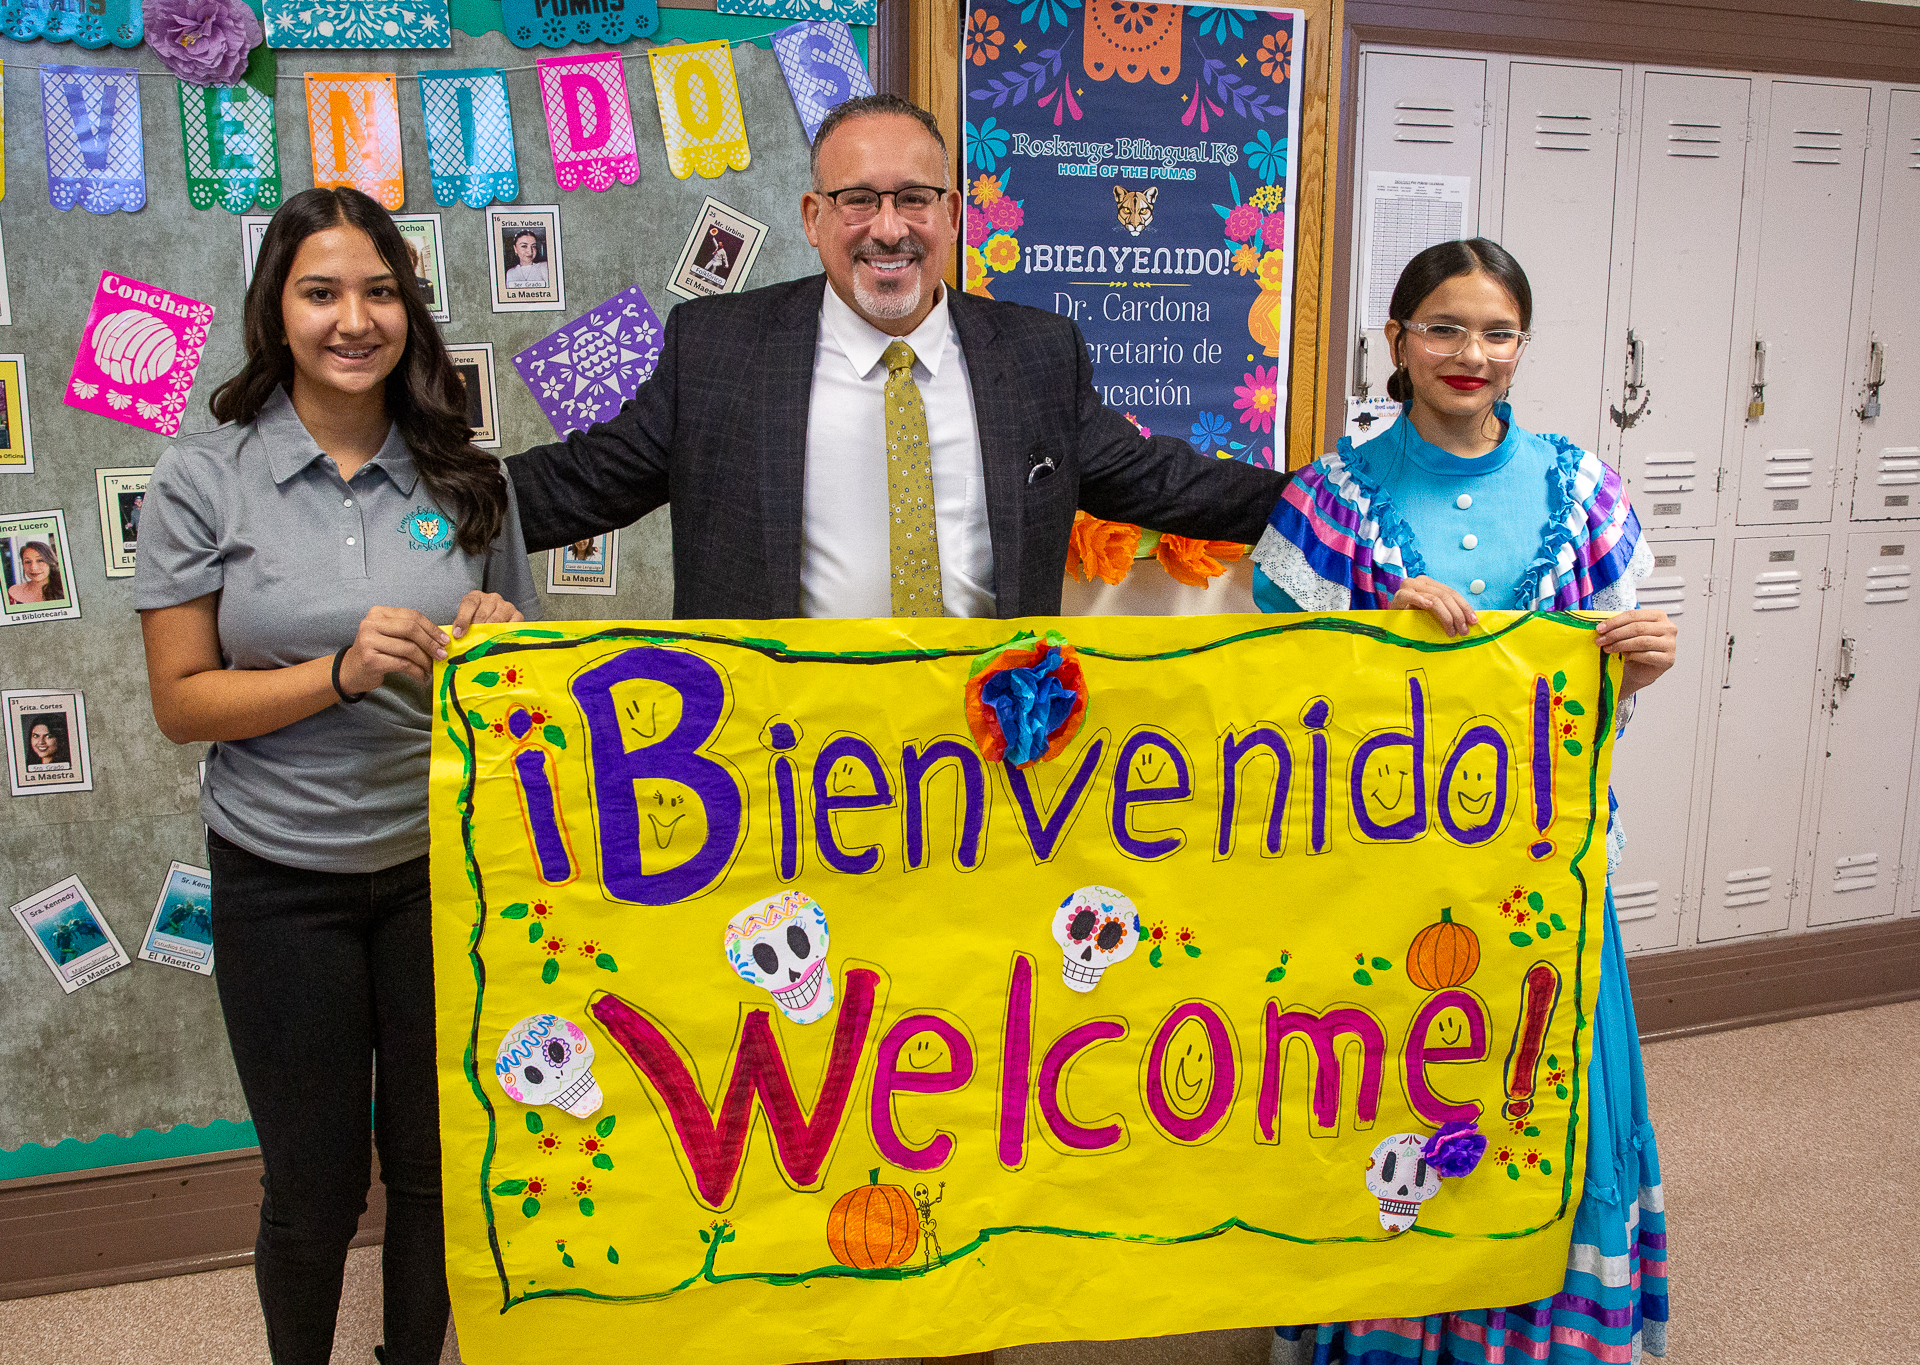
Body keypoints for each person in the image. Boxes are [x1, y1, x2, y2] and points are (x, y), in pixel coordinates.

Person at [134, 186, 540, 1365]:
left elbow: (519, 687)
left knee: (432, 1169)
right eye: (320, 292)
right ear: (276, 312)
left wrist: (496, 645)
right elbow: (180, 703)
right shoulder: (204, 476)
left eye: (377, 290)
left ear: (408, 309)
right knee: (312, 1187)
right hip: (280, 878)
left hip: (443, 874)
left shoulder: (469, 476)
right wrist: (341, 672)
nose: (352, 318)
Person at [1251, 239, 1673, 1365]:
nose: (1468, 354)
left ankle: (1537, 1329)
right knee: (1389, 1090)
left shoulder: (1581, 490)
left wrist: (1640, 654)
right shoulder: (1330, 506)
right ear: (1395, 343)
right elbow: (1270, 698)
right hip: (1387, 882)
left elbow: (1599, 682)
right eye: (1441, 328)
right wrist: (1367, 630)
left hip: (1541, 875)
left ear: (1519, 348)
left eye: (1494, 332)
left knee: (1542, 1094)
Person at [503, 94, 1288, 617]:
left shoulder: (1038, 352)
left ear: (950, 214)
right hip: (782, 753)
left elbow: (1165, 482)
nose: (888, 228)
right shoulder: (719, 349)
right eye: (858, 201)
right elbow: (579, 484)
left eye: (913, 197)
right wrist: (411, 504)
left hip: (986, 742)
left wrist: (1338, 501)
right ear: (814, 217)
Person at [6, 539, 65, 606]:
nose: (33, 567)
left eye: (40, 560)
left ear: (50, 562)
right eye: (27, 562)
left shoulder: (65, 589)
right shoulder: (14, 592)